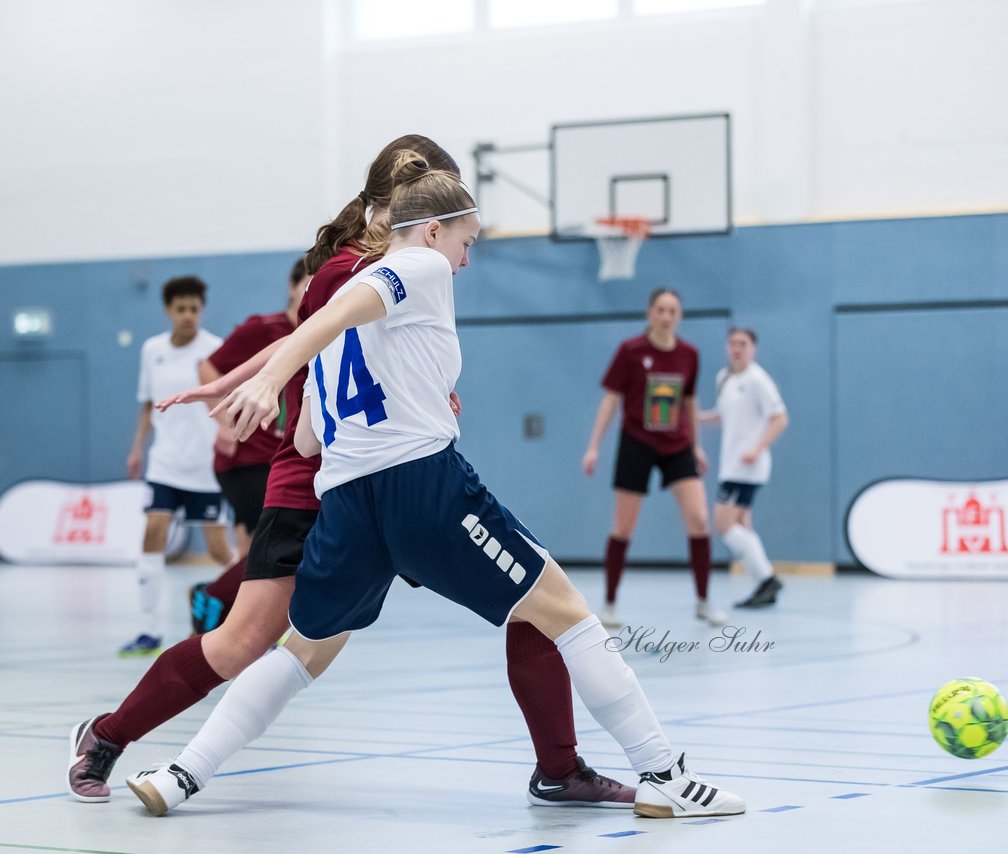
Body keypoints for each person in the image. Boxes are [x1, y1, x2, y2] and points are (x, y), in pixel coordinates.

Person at [130, 156, 745, 819]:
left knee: (302, 650)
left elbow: (307, 440)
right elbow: (358, 307)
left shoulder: (337, 305)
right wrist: (266, 374)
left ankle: (180, 774)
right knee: (568, 613)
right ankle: (665, 775)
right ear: (431, 231)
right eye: (466, 242)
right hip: (422, 489)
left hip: (345, 504)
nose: (466, 260)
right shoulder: (411, 267)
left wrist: (392, 390)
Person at [581, 288, 726, 629]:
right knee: (624, 527)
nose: (666, 316)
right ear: (650, 313)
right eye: (660, 309)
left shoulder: (689, 355)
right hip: (637, 443)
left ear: (679, 316)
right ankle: (611, 603)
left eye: (672, 310)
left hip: (677, 445)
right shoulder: (630, 351)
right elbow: (610, 401)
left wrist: (697, 446)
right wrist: (594, 446)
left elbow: (689, 402)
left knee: (699, 519)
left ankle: (704, 601)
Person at [188, 258, 308, 634]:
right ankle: (228, 614)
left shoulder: (322, 334)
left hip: (283, 459)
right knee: (263, 548)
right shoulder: (264, 328)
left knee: (264, 551)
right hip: (245, 459)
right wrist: (223, 422)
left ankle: (222, 606)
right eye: (308, 282)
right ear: (292, 287)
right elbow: (208, 368)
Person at [121, 276, 231, 657]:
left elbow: (226, 401)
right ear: (168, 310)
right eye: (180, 309)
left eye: (194, 309)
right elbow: (148, 404)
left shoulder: (215, 349)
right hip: (164, 463)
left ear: (202, 310)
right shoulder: (152, 350)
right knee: (152, 535)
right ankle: (150, 631)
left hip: (205, 467)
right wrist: (137, 449)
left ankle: (243, 618)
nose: (187, 316)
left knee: (219, 550)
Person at [698, 327, 789, 608]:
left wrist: (757, 448)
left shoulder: (758, 380)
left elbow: (780, 418)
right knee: (741, 526)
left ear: (753, 348)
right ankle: (764, 584)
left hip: (747, 467)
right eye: (733, 343)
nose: (737, 348)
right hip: (730, 465)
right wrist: (695, 417)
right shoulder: (724, 378)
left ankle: (767, 578)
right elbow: (724, 416)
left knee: (723, 525)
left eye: (743, 343)